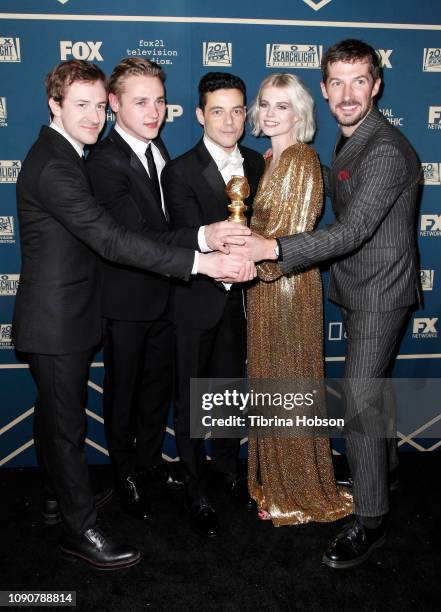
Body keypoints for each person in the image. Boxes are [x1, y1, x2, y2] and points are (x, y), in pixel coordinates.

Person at [12, 59, 254, 569]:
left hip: (72, 312)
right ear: (54, 105)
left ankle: (60, 501)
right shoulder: (59, 164)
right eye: (84, 106)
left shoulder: (69, 153)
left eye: (98, 106)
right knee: (66, 428)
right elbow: (111, 237)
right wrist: (200, 254)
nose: (94, 116)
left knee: (56, 417)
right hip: (59, 317)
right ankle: (81, 530)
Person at [245, 39, 421, 568]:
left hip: (379, 292)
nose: (347, 94)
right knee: (373, 389)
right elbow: (350, 206)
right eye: (337, 83)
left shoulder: (385, 147)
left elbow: (355, 229)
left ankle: (371, 520)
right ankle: (383, 470)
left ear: (376, 85)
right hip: (360, 284)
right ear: (323, 90)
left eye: (359, 81)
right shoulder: (353, 140)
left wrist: (274, 248)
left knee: (362, 397)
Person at [87, 58, 199, 521]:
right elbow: (136, 239)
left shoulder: (158, 148)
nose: (154, 112)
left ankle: (151, 463)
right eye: (141, 102)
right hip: (127, 300)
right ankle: (125, 473)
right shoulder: (104, 162)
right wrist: (204, 246)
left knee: (156, 389)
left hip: (166, 297)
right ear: (113, 104)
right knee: (124, 391)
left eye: (159, 101)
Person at [161, 72, 265, 538]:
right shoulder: (179, 170)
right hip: (194, 303)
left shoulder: (257, 165)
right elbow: (182, 235)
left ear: (247, 114)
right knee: (190, 399)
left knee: (229, 394)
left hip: (241, 303)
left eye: (237, 110)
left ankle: (227, 472)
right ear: (201, 115)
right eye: (218, 110)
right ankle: (194, 487)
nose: (229, 120)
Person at [246, 73, 352, 526]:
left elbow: (288, 237)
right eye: (265, 104)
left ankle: (299, 490)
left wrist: (241, 249)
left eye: (282, 106)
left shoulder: (302, 159)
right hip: (263, 289)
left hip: (286, 288)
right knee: (270, 383)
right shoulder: (270, 158)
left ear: (301, 114)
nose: (270, 113)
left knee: (288, 383)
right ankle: (278, 481)